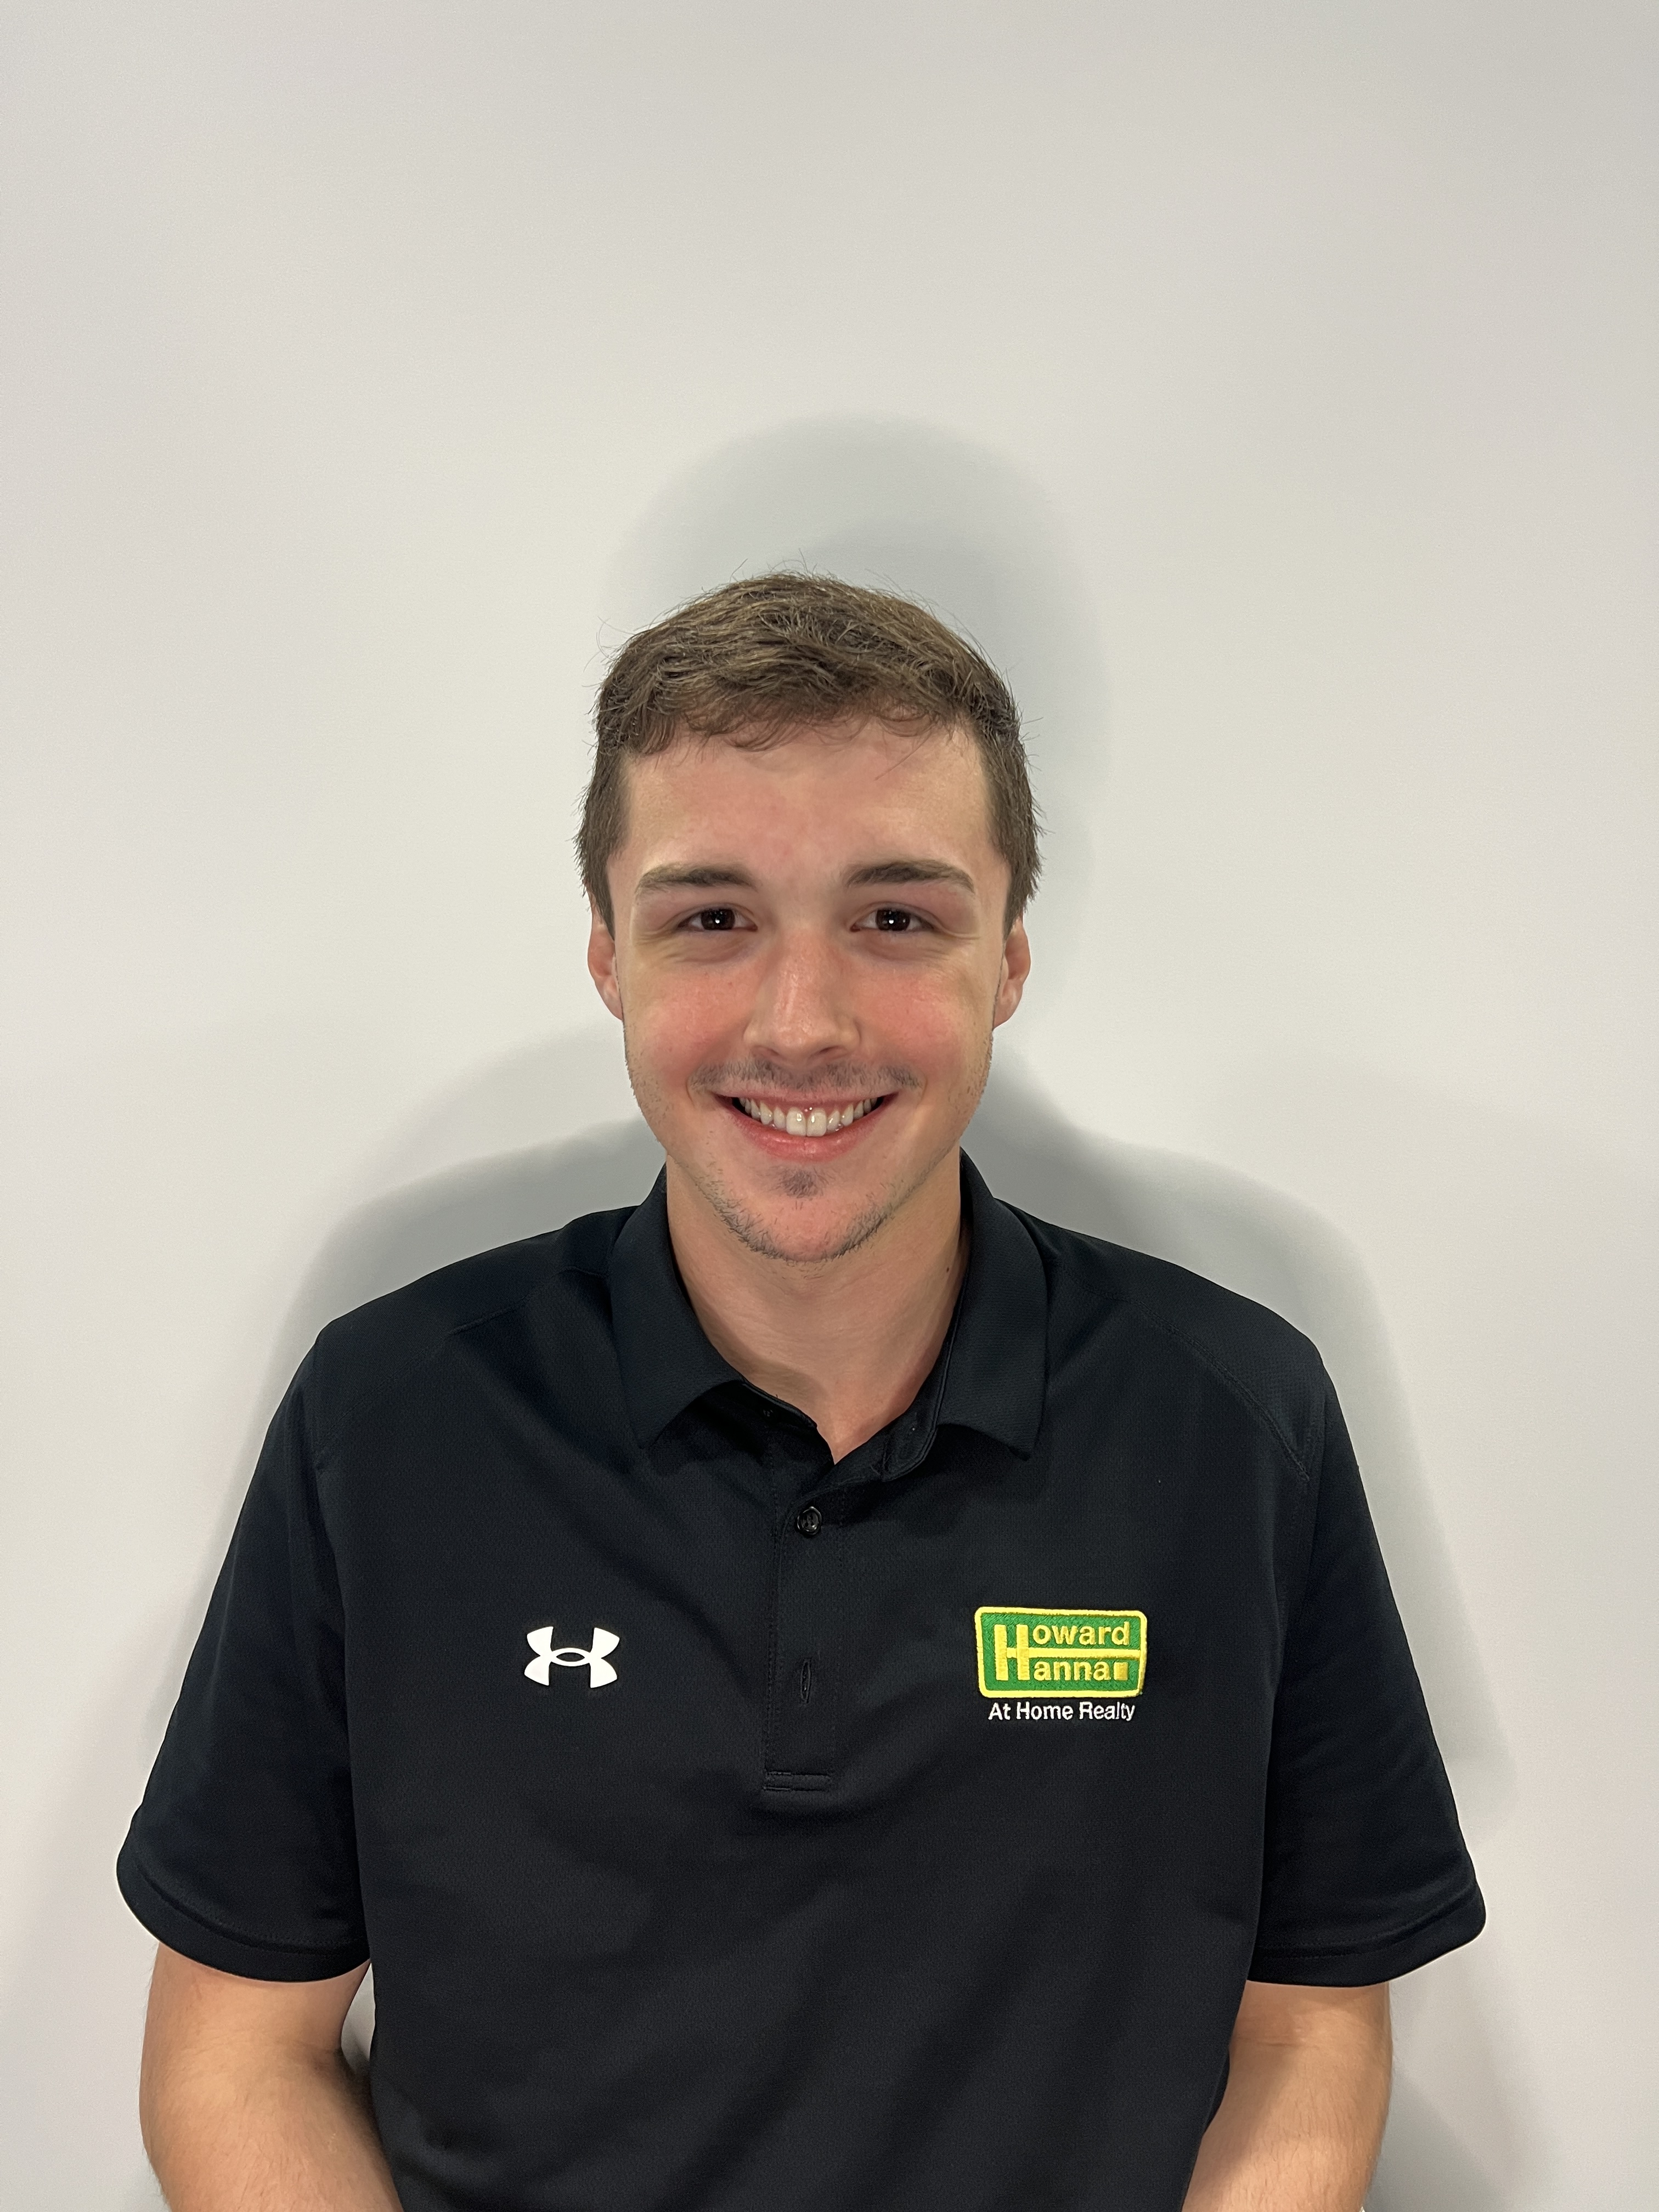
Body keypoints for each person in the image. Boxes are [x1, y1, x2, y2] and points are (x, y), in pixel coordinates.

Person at [120, 573, 1484, 2211]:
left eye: (895, 918)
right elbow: (236, 2049)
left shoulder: (1232, 1420)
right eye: (713, 918)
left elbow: (1310, 2020)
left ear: (1009, 959)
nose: (803, 1021)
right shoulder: (395, 1419)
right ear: (609, 956)